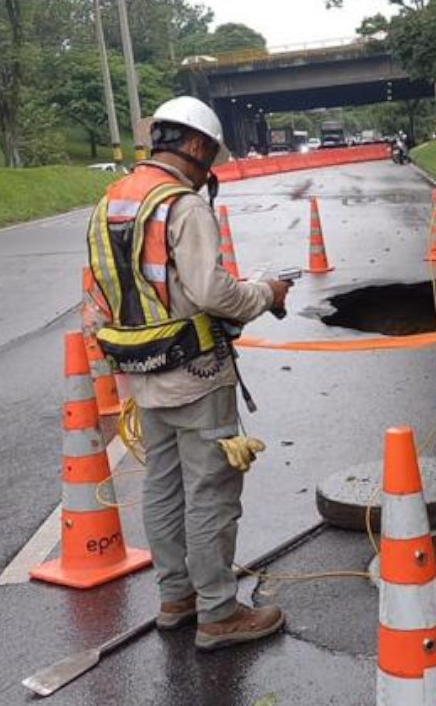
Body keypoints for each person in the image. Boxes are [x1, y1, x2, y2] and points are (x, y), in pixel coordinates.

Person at [85, 96, 293, 651]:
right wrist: (265, 294)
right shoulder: (181, 205)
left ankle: (176, 598)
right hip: (196, 371)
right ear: (197, 146)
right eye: (211, 159)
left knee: (164, 485)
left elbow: (103, 294)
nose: (210, 172)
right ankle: (220, 613)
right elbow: (211, 292)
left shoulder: (114, 200)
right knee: (212, 491)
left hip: (142, 370)